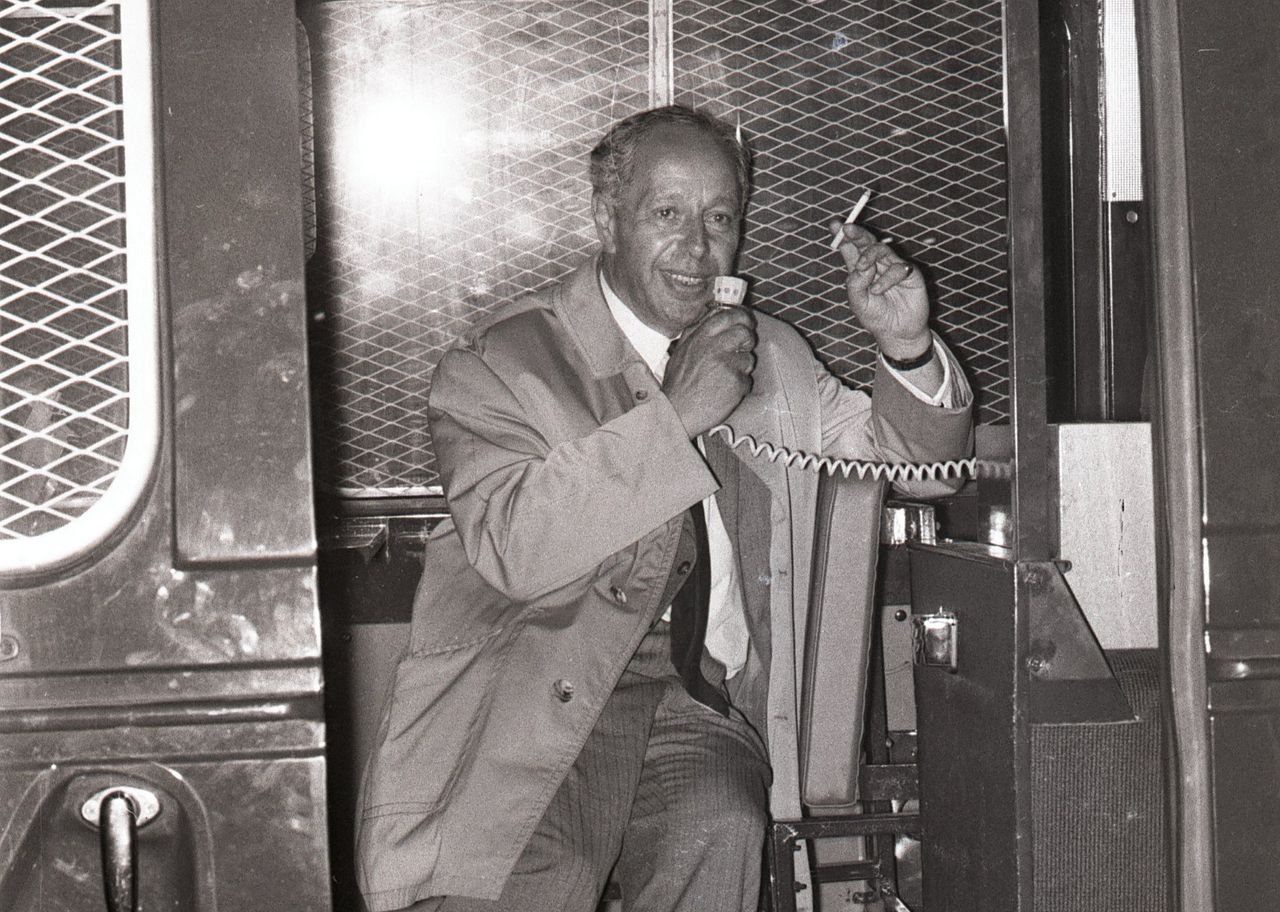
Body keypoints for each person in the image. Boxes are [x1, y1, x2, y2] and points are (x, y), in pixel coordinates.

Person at [355, 105, 973, 912]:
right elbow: (513, 545)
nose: (697, 246)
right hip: (540, 703)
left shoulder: (768, 355)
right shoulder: (502, 363)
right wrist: (676, 419)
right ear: (607, 220)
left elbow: (925, 471)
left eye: (720, 218)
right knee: (534, 876)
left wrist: (907, 346)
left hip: (696, 700)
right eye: (667, 214)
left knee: (720, 825)